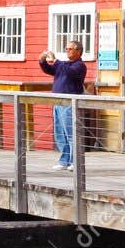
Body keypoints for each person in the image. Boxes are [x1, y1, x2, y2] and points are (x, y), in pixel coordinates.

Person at [39, 40, 87, 171]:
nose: (67, 51)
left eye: (70, 49)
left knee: (71, 133)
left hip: (69, 103)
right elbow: (49, 70)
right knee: (60, 133)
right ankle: (64, 161)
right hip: (58, 102)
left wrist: (55, 60)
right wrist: (42, 61)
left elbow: (68, 72)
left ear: (78, 51)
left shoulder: (80, 66)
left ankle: (74, 162)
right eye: (66, 48)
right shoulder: (64, 64)